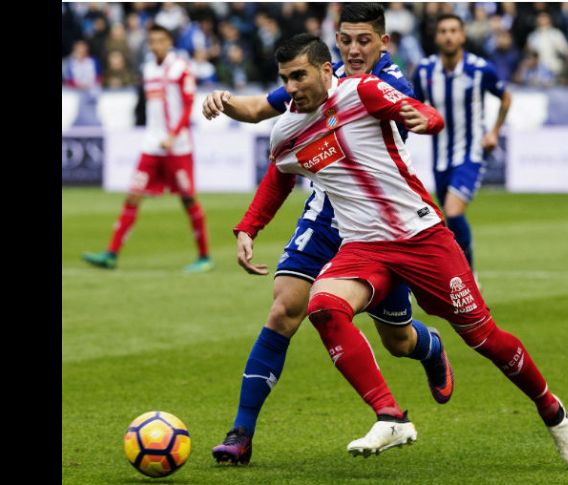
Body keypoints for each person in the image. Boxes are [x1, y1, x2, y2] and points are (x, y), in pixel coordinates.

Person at [258, 33, 568, 467]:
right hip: (364, 247)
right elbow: (280, 175)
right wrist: (248, 227)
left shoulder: (363, 90)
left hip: (421, 237)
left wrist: (425, 120)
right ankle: (390, 416)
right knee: (323, 307)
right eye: (285, 79)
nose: (293, 87)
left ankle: (551, 409)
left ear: (324, 70)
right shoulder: (286, 130)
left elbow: (423, 115)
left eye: (299, 76)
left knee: (484, 338)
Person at [203, 4, 454, 465]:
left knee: (396, 341)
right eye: (346, 40)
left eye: (364, 40)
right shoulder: (319, 75)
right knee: (284, 309)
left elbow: (393, 118)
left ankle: (429, 346)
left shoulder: (389, 85)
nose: (354, 49)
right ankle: (241, 432)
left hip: (380, 225)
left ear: (382, 41)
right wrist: (224, 100)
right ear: (333, 44)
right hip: (326, 215)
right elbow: (265, 115)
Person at [82, 25, 212, 273]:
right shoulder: (148, 67)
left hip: (177, 147)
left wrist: (173, 135)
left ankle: (205, 256)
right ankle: (111, 254)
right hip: (151, 145)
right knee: (133, 195)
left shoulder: (180, 69)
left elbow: (187, 106)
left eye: (160, 40)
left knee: (187, 199)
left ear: (169, 41)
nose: (155, 45)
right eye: (152, 41)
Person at [412, 13, 512, 273]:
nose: (448, 36)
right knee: (448, 221)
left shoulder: (480, 69)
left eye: (453, 30)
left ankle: (469, 275)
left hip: (471, 153)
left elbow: (506, 97)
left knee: (453, 212)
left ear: (463, 36)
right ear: (436, 37)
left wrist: (494, 132)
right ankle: (456, 274)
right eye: (443, 31)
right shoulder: (424, 71)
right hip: (440, 157)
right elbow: (415, 105)